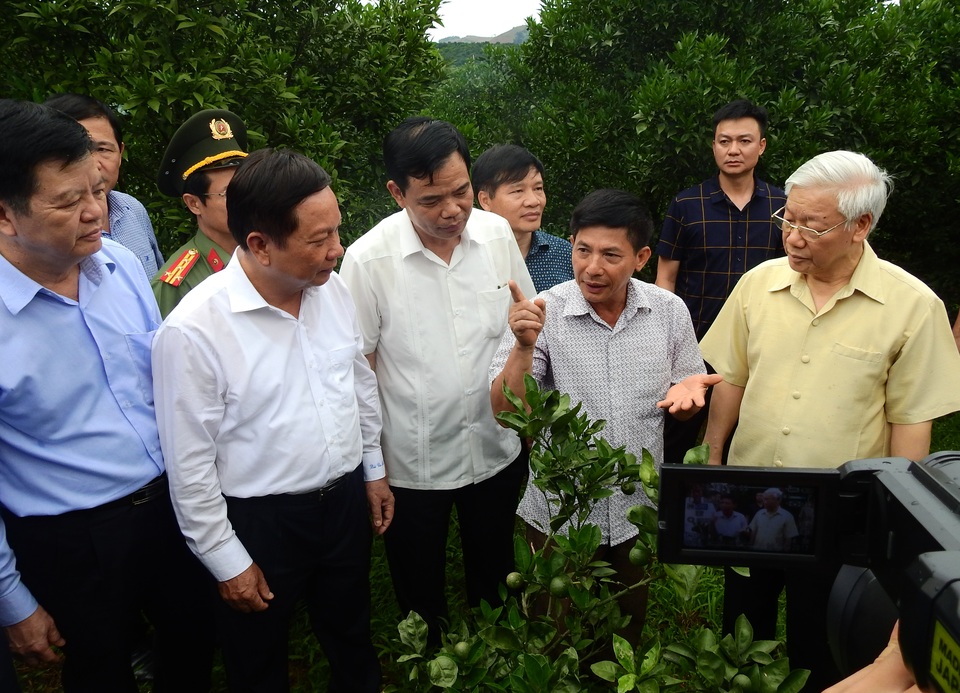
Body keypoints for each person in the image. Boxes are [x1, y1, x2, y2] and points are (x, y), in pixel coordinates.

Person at [699, 150, 960, 690]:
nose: (792, 237)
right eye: (787, 218)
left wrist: (896, 527)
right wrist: (714, 459)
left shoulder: (913, 306)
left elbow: (910, 424)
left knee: (819, 646)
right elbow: (731, 379)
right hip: (749, 495)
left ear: (860, 226)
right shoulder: (758, 285)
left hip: (840, 514)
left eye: (812, 226)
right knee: (738, 636)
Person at [153, 147, 391, 692]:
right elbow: (189, 464)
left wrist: (373, 469)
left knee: (352, 638)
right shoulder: (194, 331)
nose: (338, 249)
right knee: (257, 659)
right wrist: (226, 559)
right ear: (260, 244)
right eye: (320, 239)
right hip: (261, 522)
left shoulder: (330, 289)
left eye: (336, 230)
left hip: (342, 504)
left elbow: (357, 382)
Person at [0, 99, 214, 691]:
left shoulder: (118, 266)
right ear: (5, 214)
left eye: (97, 191)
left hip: (170, 508)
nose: (97, 212)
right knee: (100, 671)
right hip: (72, 541)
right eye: (69, 202)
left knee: (192, 649)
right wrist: (12, 598)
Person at [489, 188, 721, 639]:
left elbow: (685, 395)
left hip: (636, 510)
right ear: (571, 245)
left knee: (624, 629)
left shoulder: (668, 312)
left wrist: (687, 401)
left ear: (641, 258)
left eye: (611, 255)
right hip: (561, 512)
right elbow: (504, 412)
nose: (593, 267)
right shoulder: (544, 312)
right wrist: (523, 348)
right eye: (583, 250)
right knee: (553, 632)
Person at [340, 116, 535, 643]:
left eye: (461, 192)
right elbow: (359, 370)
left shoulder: (496, 235)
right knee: (418, 582)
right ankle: (429, 662)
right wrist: (373, 469)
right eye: (431, 200)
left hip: (494, 444)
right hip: (412, 460)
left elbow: (521, 321)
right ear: (397, 193)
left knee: (495, 569)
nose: (452, 210)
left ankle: (499, 654)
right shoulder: (368, 261)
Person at [656, 99, 787, 466]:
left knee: (743, 442)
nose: (733, 150)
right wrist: (666, 339)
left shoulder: (783, 206)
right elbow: (665, 278)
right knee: (675, 438)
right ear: (713, 145)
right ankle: (667, 498)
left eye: (744, 141)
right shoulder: (687, 204)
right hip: (693, 345)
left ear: (761, 146)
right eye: (724, 141)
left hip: (759, 347)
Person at [44, 93, 164, 277]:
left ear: (120, 153)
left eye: (102, 149)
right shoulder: (41, 229)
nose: (92, 164)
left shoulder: (133, 209)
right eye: (77, 151)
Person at [152, 108, 248, 316]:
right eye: (228, 193)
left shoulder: (265, 255)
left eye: (247, 188)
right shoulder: (176, 285)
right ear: (194, 203)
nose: (244, 200)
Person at [473, 144, 573, 291]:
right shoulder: (469, 257)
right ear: (485, 200)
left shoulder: (565, 254)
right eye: (518, 191)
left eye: (538, 188)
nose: (533, 201)